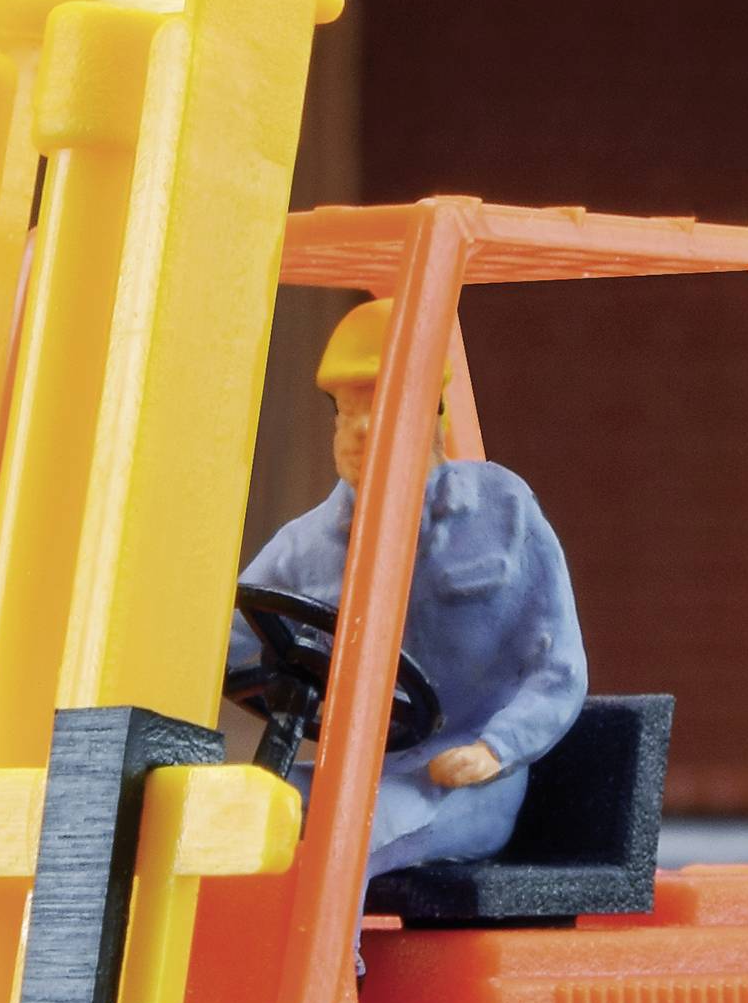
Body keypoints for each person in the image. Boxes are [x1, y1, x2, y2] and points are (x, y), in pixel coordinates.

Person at [230, 298, 587, 878]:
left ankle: (333, 971)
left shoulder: (503, 513)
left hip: (466, 779)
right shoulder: (310, 541)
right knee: (247, 816)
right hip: (359, 772)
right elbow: (232, 640)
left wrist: (494, 748)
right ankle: (229, 967)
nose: (359, 431)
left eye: (382, 409)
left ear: (430, 414)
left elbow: (559, 669)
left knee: (351, 839)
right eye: (347, 414)